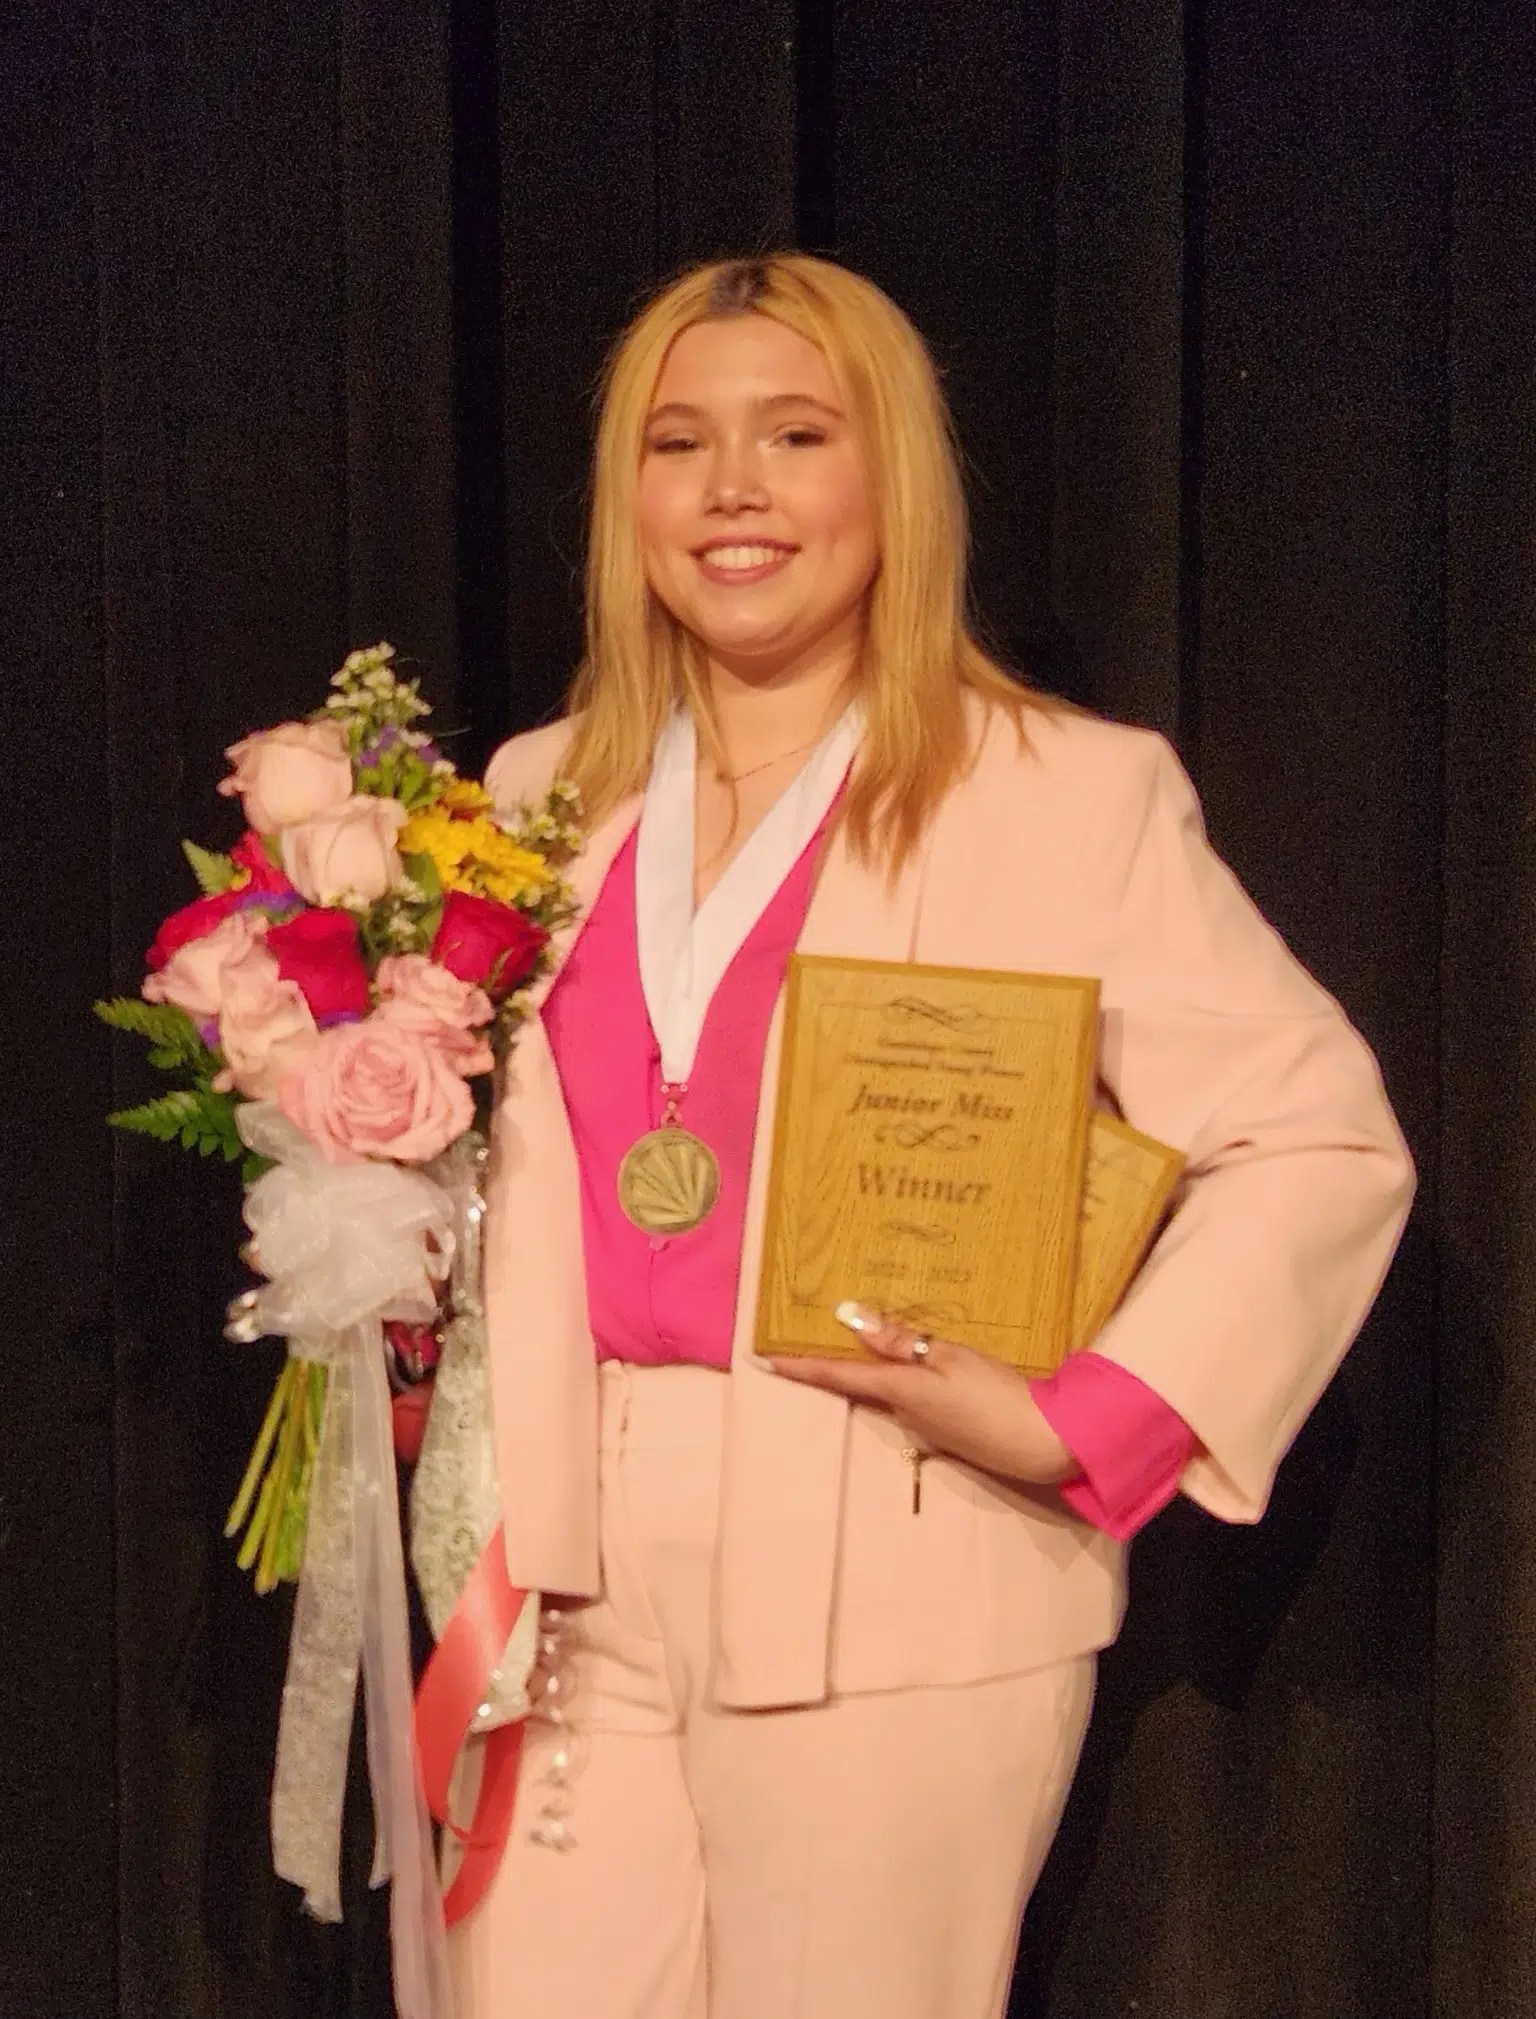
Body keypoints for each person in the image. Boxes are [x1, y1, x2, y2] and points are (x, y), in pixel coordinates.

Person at [456, 254, 1414, 2019]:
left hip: (897, 1549)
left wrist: (1087, 1424)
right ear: (629, 498)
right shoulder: (530, 801)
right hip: (559, 1568)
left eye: (795, 434)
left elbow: (1321, 1143)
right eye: (679, 444)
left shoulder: (1060, 791)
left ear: (888, 477)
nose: (732, 489)